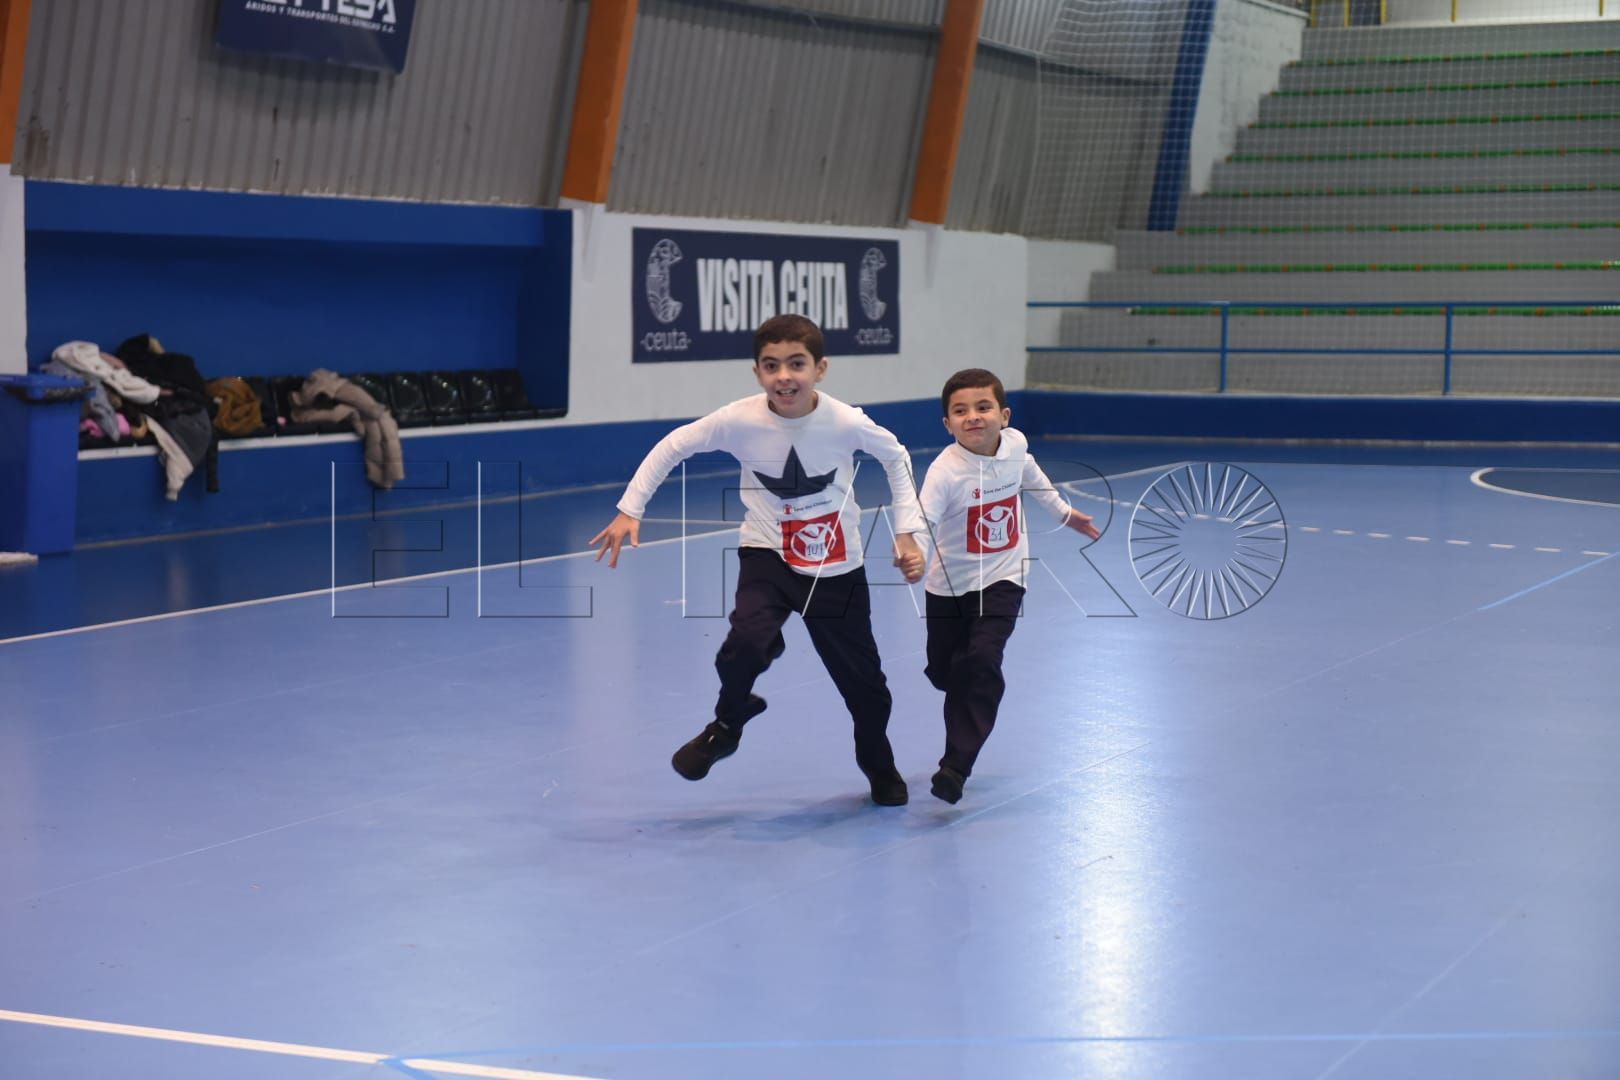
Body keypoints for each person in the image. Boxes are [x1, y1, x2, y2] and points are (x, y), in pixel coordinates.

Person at [591, 314, 927, 806]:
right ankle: (726, 726)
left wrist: (907, 532)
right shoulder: (739, 419)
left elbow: (896, 457)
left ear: (820, 369)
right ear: (757, 372)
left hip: (836, 568)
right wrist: (630, 509)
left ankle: (879, 765)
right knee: (744, 644)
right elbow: (673, 446)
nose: (783, 376)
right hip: (768, 553)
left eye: (796, 364)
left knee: (865, 687)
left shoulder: (845, 422)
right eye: (771, 366)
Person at [917, 368, 1101, 804]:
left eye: (983, 407)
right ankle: (957, 687)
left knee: (981, 661)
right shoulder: (945, 471)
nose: (973, 417)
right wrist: (914, 550)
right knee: (946, 672)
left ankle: (955, 766)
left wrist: (1063, 513)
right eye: (960, 411)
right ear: (947, 424)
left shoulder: (1015, 444)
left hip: (1004, 577)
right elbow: (923, 519)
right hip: (949, 587)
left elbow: (1031, 474)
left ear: (1004, 415)